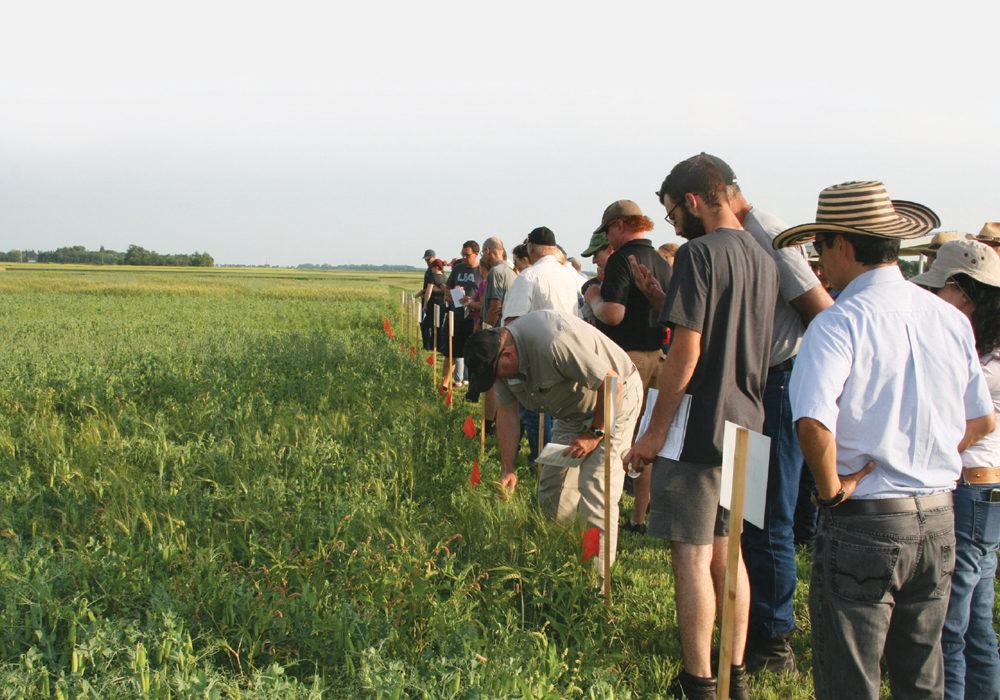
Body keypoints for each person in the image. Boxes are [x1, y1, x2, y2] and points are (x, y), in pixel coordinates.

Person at [775, 180, 995, 700]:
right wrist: (933, 455)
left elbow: (812, 422)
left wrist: (830, 489)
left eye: (821, 247)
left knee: (852, 677)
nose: (819, 263)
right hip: (939, 514)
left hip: (866, 521)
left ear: (843, 246)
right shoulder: (949, 319)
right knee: (923, 674)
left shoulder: (839, 322)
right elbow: (983, 421)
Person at [624, 154, 778, 700]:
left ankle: (698, 680)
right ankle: (734, 675)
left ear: (692, 200)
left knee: (691, 555)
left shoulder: (697, 253)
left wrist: (654, 431)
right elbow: (727, 332)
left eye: (671, 213)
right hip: (750, 423)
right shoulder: (762, 256)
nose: (673, 226)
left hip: (699, 427)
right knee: (729, 551)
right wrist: (662, 302)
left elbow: (688, 351)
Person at [706, 156, 833, 675]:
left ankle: (775, 639)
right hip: (755, 385)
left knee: (772, 515)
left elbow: (820, 307)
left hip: (780, 383)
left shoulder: (769, 233)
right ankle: (754, 624)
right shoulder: (745, 236)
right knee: (745, 510)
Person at [464, 310, 642, 579]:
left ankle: (595, 581)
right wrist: (507, 468)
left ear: (508, 356)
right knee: (551, 490)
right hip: (572, 411)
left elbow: (610, 382)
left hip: (616, 399)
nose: (496, 382)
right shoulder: (498, 362)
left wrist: (595, 434)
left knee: (595, 489)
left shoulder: (552, 341)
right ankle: (554, 563)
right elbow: (508, 414)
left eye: (495, 376)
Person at [910, 240, 1000, 700]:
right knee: (977, 626)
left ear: (963, 292)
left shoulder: (982, 359)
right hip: (987, 494)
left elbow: (977, 422)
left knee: (950, 626)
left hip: (969, 490)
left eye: (940, 290)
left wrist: (935, 458)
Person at [585, 200, 672, 536]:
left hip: (627, 360)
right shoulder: (662, 261)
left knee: (616, 436)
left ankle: (605, 512)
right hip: (658, 358)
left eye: (608, 230)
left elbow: (614, 314)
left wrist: (594, 297)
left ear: (620, 224)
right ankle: (638, 517)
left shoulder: (623, 259)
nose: (609, 239)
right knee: (645, 440)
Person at [501, 227, 582, 325]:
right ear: (554, 249)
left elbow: (512, 322)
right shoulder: (569, 276)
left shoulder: (528, 276)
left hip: (539, 338)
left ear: (530, 248)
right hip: (569, 336)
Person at [443, 241, 482, 389]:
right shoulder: (458, 268)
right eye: (463, 254)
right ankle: (445, 384)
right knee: (450, 352)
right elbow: (446, 291)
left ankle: (473, 385)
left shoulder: (482, 270)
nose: (464, 257)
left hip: (473, 318)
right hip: (455, 316)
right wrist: (453, 290)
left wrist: (472, 301)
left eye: (468, 254)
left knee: (473, 354)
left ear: (476, 254)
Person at [420, 250, 447, 351]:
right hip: (442, 304)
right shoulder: (444, 276)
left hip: (433, 304)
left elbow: (428, 291)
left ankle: (428, 346)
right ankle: (437, 346)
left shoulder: (432, 275)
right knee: (438, 326)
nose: (427, 262)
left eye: (429, 259)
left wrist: (425, 304)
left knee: (425, 326)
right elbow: (445, 289)